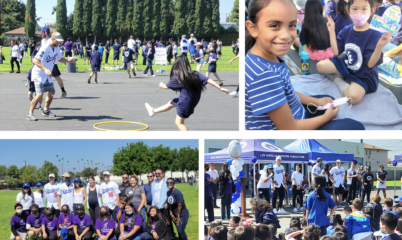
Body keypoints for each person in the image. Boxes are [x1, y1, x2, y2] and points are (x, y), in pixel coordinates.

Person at [245, 0, 364, 131]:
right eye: (274, 25)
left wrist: (316, 101)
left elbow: (286, 91)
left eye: (292, 25)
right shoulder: (264, 75)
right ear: (253, 28)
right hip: (292, 128)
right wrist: (327, 117)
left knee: (328, 100)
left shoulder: (269, 56)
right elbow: (289, 129)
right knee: (356, 127)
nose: (286, 36)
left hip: (296, 112)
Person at [317, 0, 392, 105]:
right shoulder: (346, 30)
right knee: (320, 65)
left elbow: (370, 65)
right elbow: (336, 51)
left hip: (364, 74)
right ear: (348, 10)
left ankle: (337, 79)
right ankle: (344, 76)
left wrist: (379, 46)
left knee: (353, 98)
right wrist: (332, 31)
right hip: (347, 65)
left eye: (364, 9)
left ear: (372, 10)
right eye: (355, 8)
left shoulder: (374, 34)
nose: (359, 13)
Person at [144, 56, 229, 131]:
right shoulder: (195, 73)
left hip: (186, 101)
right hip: (192, 100)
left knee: (179, 123)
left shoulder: (178, 77)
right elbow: (208, 79)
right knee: (171, 102)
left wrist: (161, 84)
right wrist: (220, 87)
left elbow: (166, 87)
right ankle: (153, 111)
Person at [26, 32, 75, 121]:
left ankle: (46, 111)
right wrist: (45, 69)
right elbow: (35, 61)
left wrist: (69, 60)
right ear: (52, 39)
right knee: (40, 94)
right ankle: (30, 114)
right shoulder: (45, 48)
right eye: (58, 41)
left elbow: (60, 59)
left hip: (47, 74)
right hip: (39, 73)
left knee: (52, 91)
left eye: (60, 42)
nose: (59, 43)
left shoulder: (57, 48)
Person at [40, 27, 68, 99]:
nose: (41, 33)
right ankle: (39, 93)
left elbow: (56, 51)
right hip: (45, 62)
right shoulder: (43, 40)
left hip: (52, 62)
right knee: (42, 77)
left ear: (45, 32)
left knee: (56, 77)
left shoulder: (52, 40)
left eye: (42, 32)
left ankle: (63, 91)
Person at [151, 168, 174, 237]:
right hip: (156, 206)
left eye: (159, 173)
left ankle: (170, 236)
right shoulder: (154, 182)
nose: (157, 175)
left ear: (163, 173)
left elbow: (172, 193)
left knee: (167, 222)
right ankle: (161, 235)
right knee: (157, 222)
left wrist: (167, 203)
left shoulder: (168, 181)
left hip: (164, 206)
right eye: (156, 174)